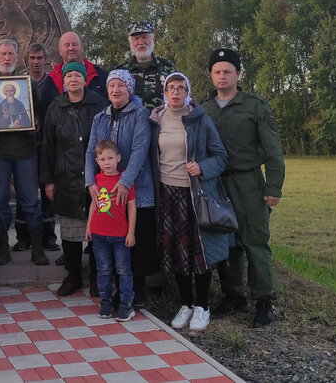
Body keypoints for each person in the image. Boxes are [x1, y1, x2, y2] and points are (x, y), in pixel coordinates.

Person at [199, 48, 286, 327]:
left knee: (254, 241)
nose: (222, 76)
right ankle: (234, 295)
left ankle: (264, 300)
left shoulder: (255, 106)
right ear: (211, 75)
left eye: (227, 71)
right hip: (216, 182)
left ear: (237, 74)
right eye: (217, 71)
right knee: (227, 240)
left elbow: (273, 151)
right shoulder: (203, 110)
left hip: (248, 181)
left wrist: (273, 187)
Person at [150, 72, 232, 332]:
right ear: (164, 92)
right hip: (166, 192)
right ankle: (185, 303)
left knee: (200, 250)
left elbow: (220, 156)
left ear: (188, 92)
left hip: (194, 193)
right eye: (170, 88)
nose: (175, 93)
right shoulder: (156, 119)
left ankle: (202, 306)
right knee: (177, 249)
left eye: (181, 88)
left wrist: (202, 167)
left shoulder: (200, 119)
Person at [84, 69, 155, 308]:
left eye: (121, 86)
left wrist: (125, 181)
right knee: (112, 239)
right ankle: (119, 291)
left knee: (135, 240)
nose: (116, 90)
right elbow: (90, 151)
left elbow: (139, 149)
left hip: (135, 186)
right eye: (112, 86)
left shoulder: (139, 114)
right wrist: (90, 182)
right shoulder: (100, 117)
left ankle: (139, 292)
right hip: (105, 188)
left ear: (129, 89)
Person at [0, 38, 46, 266]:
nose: (7, 58)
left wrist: (34, 124)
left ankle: (37, 247)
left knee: (30, 202)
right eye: (3, 54)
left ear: (17, 57)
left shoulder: (28, 84)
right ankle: (3, 247)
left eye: (11, 54)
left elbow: (35, 116)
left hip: (25, 152)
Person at [39, 61, 108, 296]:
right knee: (69, 232)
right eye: (69, 76)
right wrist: (48, 180)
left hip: (95, 179)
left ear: (85, 80)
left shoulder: (99, 104)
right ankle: (73, 276)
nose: (74, 79)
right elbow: (48, 145)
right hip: (66, 178)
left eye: (78, 75)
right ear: (64, 81)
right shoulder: (56, 107)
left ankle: (98, 277)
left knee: (98, 231)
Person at [86, 139, 136, 322]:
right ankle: (105, 303)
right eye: (102, 159)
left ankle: (125, 305)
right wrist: (89, 226)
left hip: (120, 235)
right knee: (104, 270)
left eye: (110, 158)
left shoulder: (125, 181)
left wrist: (131, 232)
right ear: (97, 161)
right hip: (99, 235)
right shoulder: (96, 180)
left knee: (123, 270)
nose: (107, 162)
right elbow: (94, 204)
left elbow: (132, 207)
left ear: (118, 158)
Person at [37, 31, 107, 127]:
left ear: (81, 47)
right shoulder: (51, 80)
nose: (71, 48)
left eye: (74, 44)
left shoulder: (99, 75)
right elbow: (46, 114)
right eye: (67, 45)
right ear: (60, 51)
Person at [117, 22, 176, 109]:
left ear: (153, 40)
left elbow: (181, 96)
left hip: (161, 121)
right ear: (130, 43)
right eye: (136, 39)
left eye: (144, 37)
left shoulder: (168, 68)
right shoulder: (121, 71)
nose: (141, 42)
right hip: (131, 121)